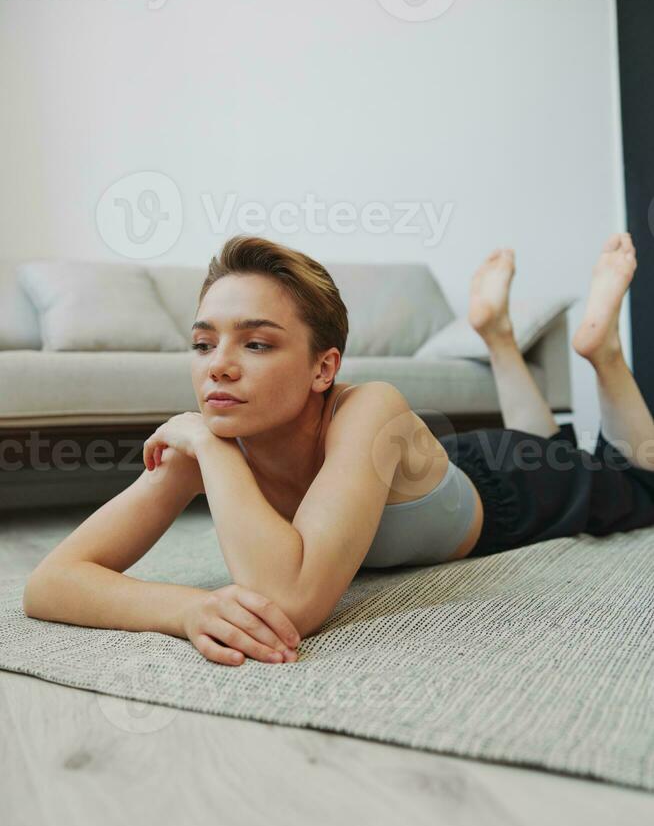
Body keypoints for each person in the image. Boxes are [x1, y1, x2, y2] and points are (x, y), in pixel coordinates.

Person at [23, 234, 654, 666]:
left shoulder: (369, 405)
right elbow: (50, 584)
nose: (218, 366)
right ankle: (497, 336)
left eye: (257, 344)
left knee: (628, 480)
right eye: (203, 343)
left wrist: (209, 453)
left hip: (504, 491)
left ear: (323, 368)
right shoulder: (209, 436)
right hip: (433, 467)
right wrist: (187, 608)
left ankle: (603, 353)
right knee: (543, 441)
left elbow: (292, 601)